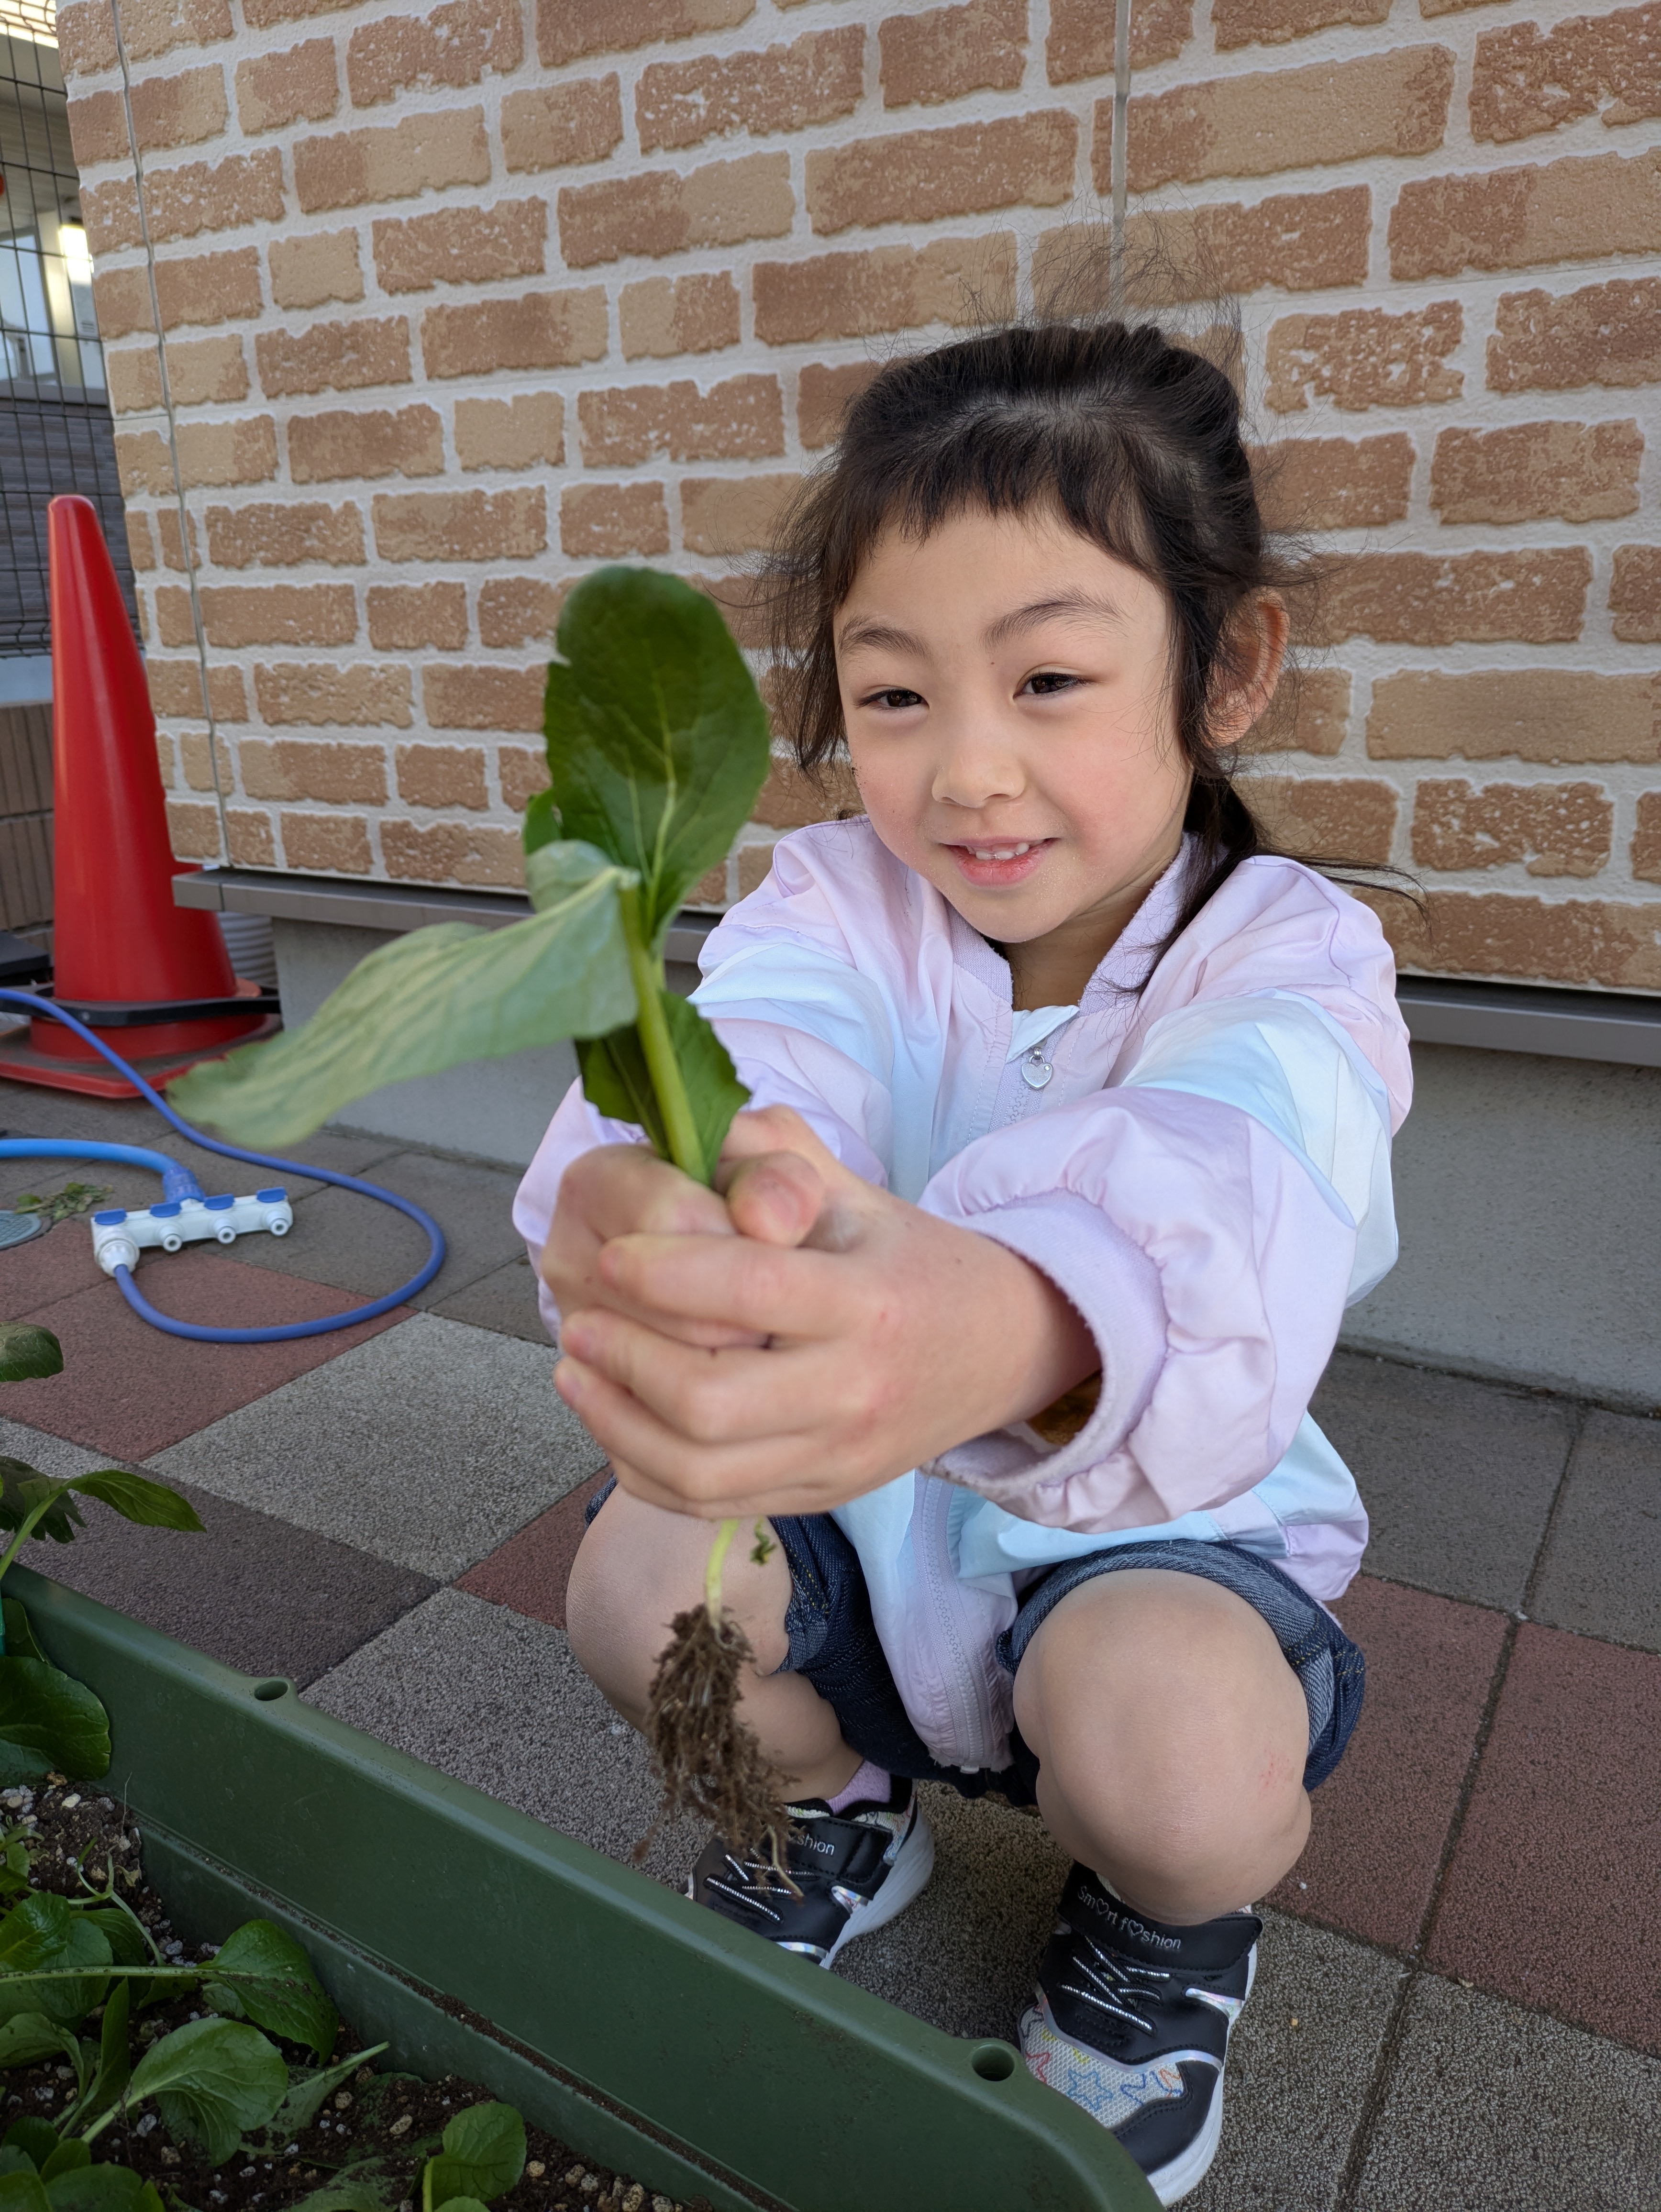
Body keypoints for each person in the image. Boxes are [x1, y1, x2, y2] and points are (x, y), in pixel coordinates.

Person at [513, 317, 1411, 2206]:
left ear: (1223, 665)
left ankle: (1162, 1925)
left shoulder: (1288, 952)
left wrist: (1012, 1317)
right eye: (898, 694)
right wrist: (657, 1189)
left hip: (1161, 1537)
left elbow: (1232, 1167)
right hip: (871, 1522)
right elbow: (761, 1054)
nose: (968, 773)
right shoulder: (831, 900)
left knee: (1177, 1766)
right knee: (637, 1581)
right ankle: (837, 1817)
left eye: (1053, 678)